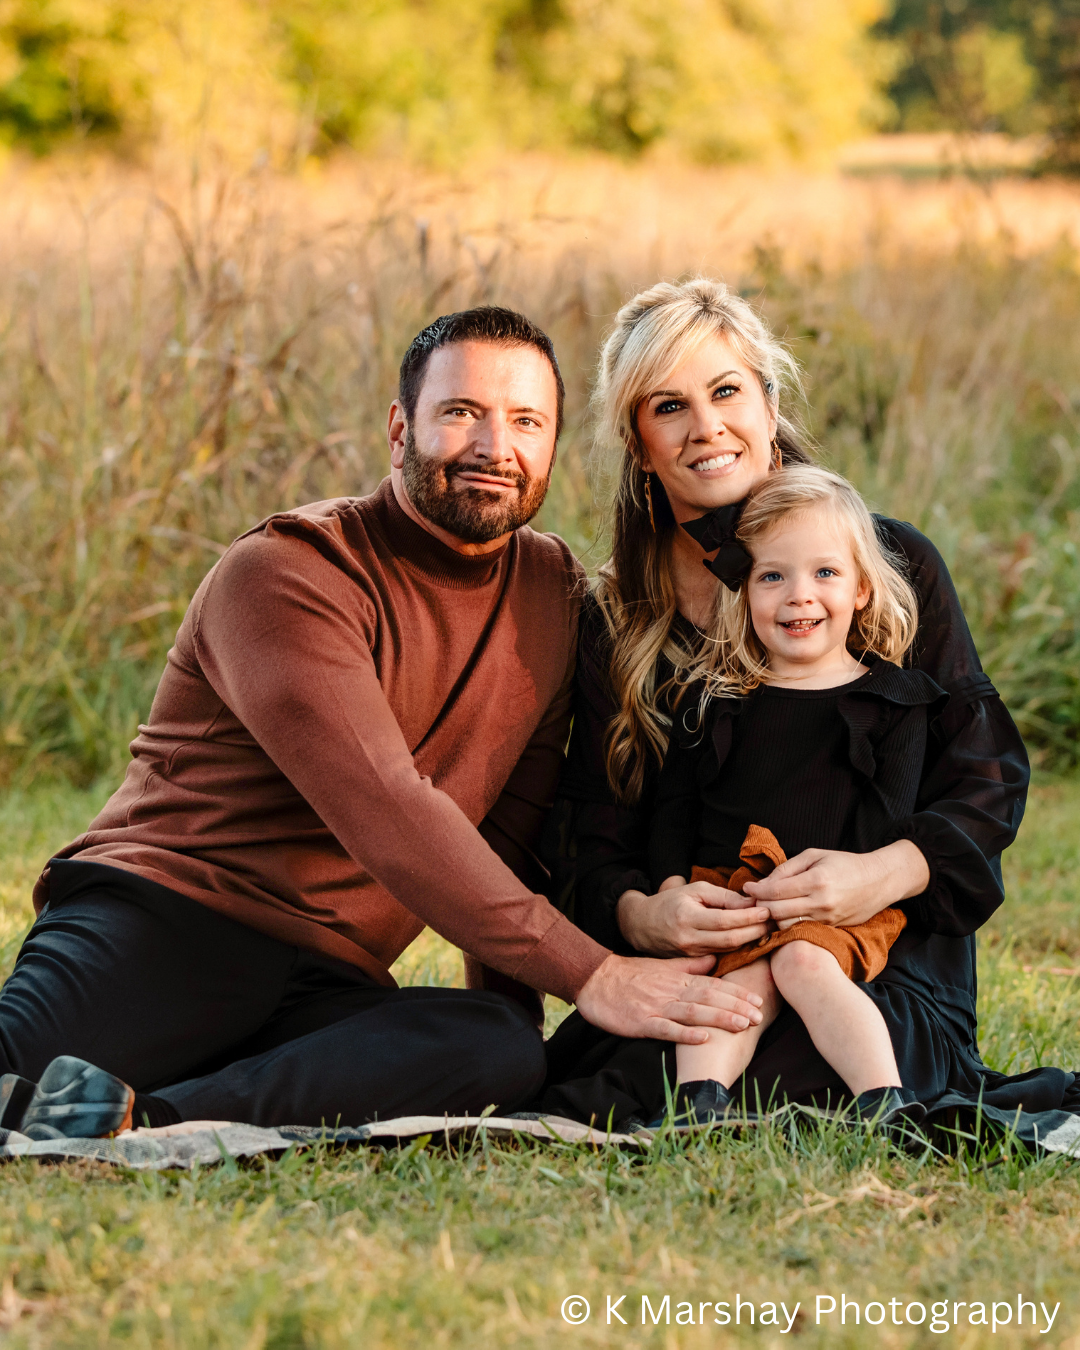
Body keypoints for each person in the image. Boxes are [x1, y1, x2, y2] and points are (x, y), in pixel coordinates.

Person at [0, 305, 768, 1142]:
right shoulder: (287, 573)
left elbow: (508, 834)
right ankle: (68, 1097)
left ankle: (144, 1120)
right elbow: (386, 807)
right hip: (167, 923)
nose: (493, 448)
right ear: (401, 427)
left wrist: (516, 1011)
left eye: (525, 422)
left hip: (330, 976)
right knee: (12, 1068)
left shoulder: (552, 591)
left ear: (552, 445)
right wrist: (594, 975)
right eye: (460, 413)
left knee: (496, 1050)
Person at [538, 278, 1079, 1137]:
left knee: (817, 1059)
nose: (706, 427)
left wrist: (879, 872)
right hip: (715, 956)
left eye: (726, 392)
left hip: (883, 953)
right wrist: (648, 912)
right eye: (669, 406)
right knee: (658, 1063)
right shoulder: (621, 621)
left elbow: (983, 782)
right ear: (639, 445)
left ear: (768, 400)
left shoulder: (881, 565)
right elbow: (594, 834)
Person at [635, 465, 941, 1129]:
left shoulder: (893, 702)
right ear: (743, 590)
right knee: (730, 986)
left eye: (825, 574)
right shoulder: (716, 699)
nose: (798, 596)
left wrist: (836, 890)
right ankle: (698, 1108)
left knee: (802, 962)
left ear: (862, 588)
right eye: (773, 576)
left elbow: (889, 822)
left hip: (838, 900)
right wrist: (667, 888)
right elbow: (676, 810)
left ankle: (885, 1103)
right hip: (735, 894)